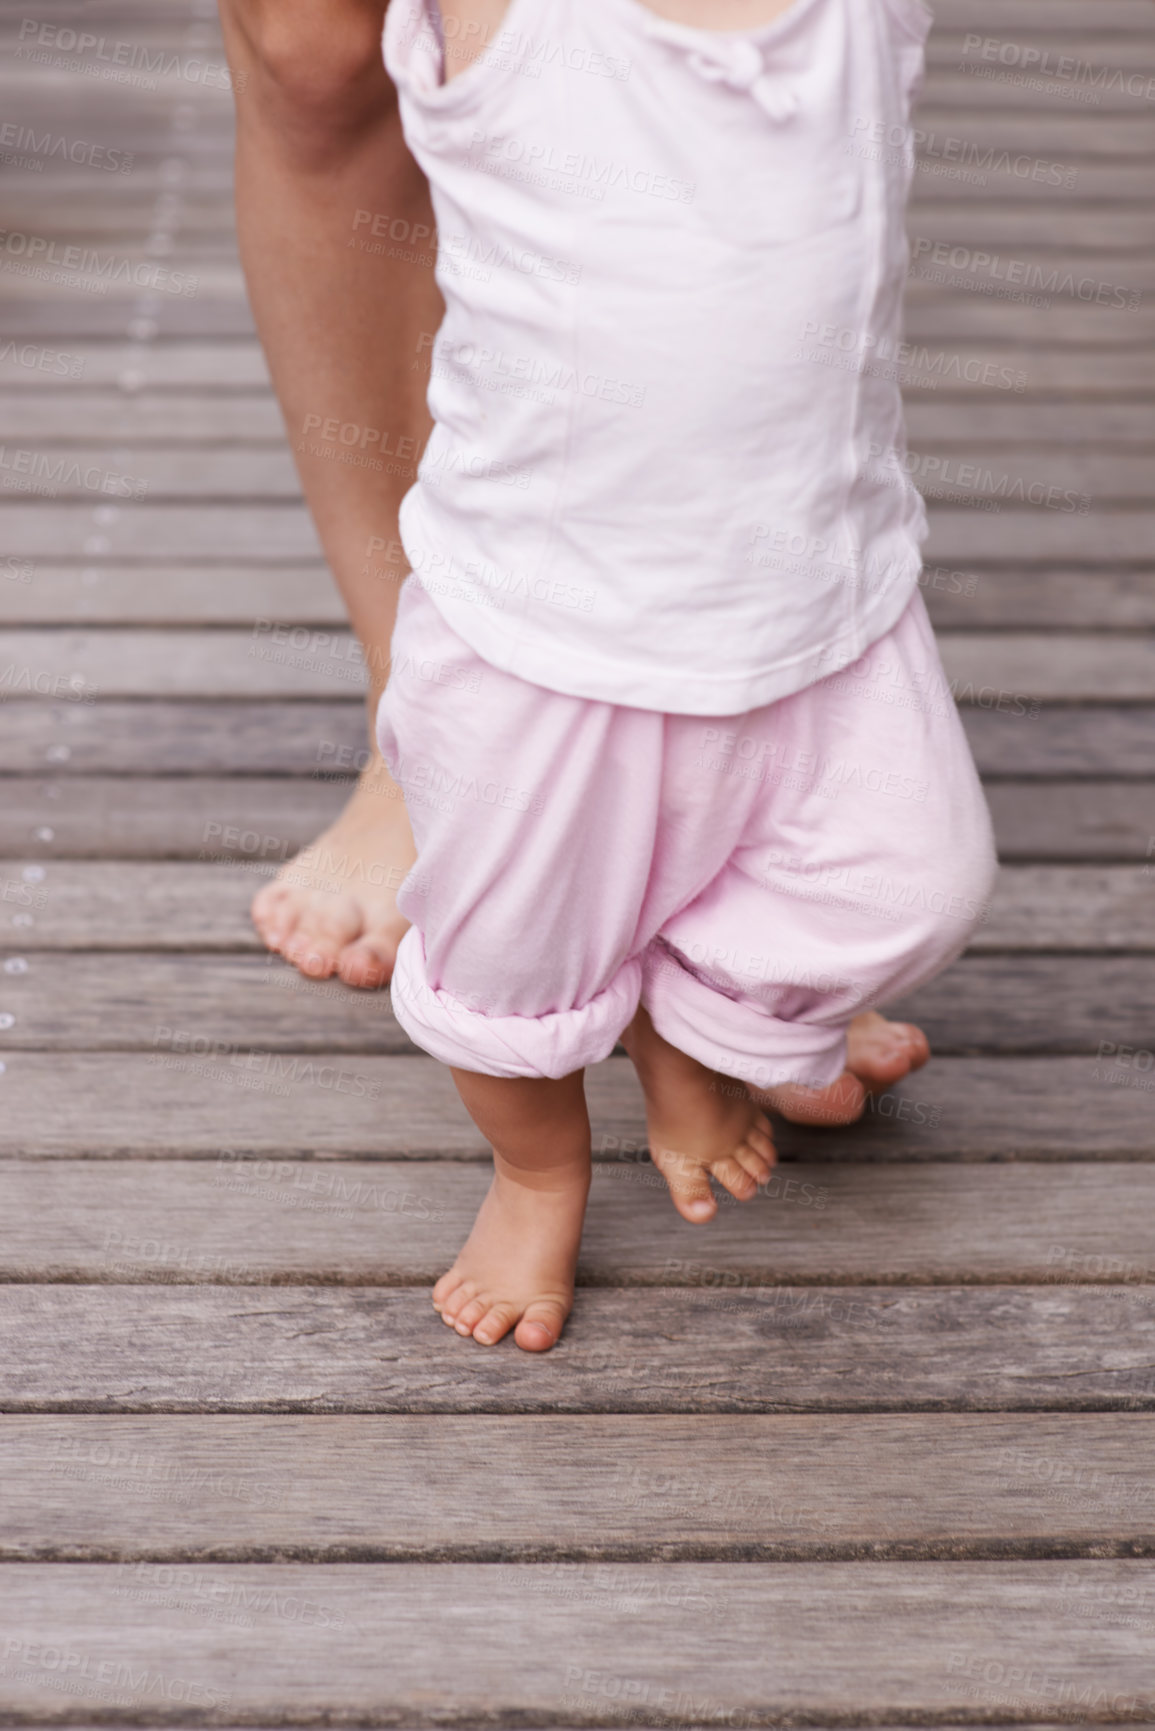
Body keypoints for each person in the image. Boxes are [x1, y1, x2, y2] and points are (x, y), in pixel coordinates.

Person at [226, 0, 998, 1356]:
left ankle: (692, 1017)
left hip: (818, 606)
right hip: (548, 638)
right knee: (505, 962)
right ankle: (538, 1168)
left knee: (916, 885)